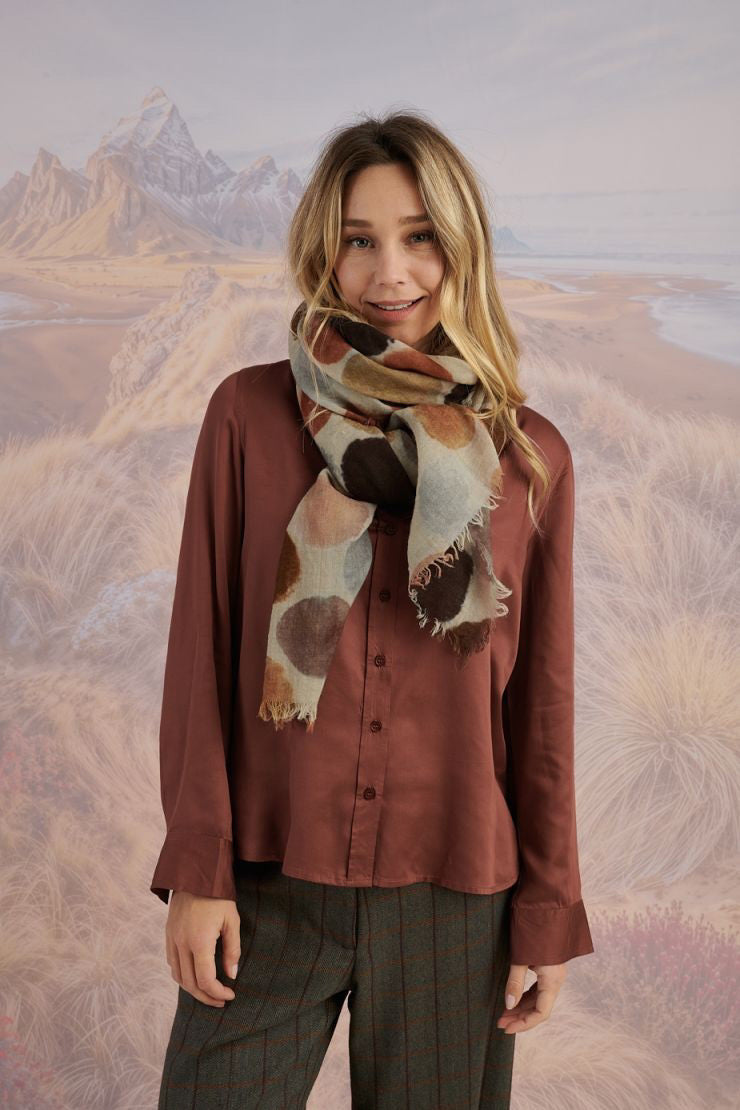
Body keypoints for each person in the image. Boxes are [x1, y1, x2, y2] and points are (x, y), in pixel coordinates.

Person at [151, 109, 595, 1109]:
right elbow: (198, 660)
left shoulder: (530, 459)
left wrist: (546, 913)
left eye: (419, 237)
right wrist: (197, 871)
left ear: (459, 248)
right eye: (359, 239)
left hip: (455, 901)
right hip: (265, 883)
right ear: (325, 248)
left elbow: (542, 710)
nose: (390, 274)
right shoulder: (247, 418)